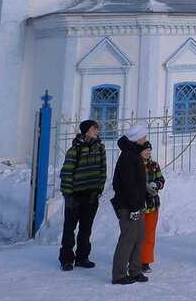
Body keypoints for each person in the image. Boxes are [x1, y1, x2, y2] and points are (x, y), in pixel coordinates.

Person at [58, 119, 107, 271]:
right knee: (69, 228)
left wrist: (98, 190)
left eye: (97, 129)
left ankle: (82, 257)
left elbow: (102, 171)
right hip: (75, 195)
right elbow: (66, 173)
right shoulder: (75, 149)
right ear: (86, 131)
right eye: (94, 129)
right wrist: (68, 196)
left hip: (91, 195)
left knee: (86, 229)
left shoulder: (100, 148)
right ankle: (66, 259)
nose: (97, 131)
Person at [110, 123, 150, 285]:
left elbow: (138, 183)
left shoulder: (134, 154)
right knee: (127, 239)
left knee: (139, 237)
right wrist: (133, 207)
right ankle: (119, 274)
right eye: (144, 136)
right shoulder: (128, 156)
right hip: (128, 206)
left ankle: (135, 270)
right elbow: (127, 185)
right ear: (137, 138)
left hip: (137, 205)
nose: (146, 138)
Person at [139, 141, 165, 272]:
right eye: (145, 150)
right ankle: (134, 259)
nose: (148, 152)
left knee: (150, 234)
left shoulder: (154, 165)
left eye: (150, 150)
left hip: (153, 204)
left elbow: (161, 180)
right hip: (139, 204)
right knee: (138, 234)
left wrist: (156, 184)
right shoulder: (136, 164)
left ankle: (145, 261)